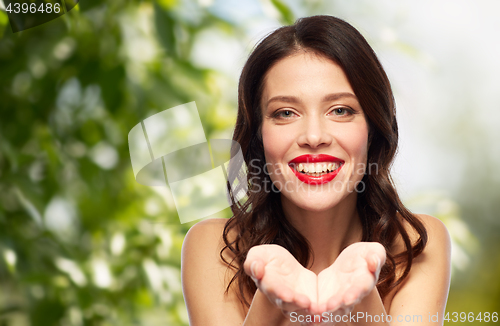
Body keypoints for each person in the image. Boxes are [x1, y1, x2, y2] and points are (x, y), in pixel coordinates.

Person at [181, 15, 451, 326]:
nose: (313, 136)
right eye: (285, 113)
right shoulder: (215, 247)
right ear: (259, 136)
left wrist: (359, 294)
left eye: (340, 110)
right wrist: (272, 300)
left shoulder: (416, 243)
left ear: (373, 129)